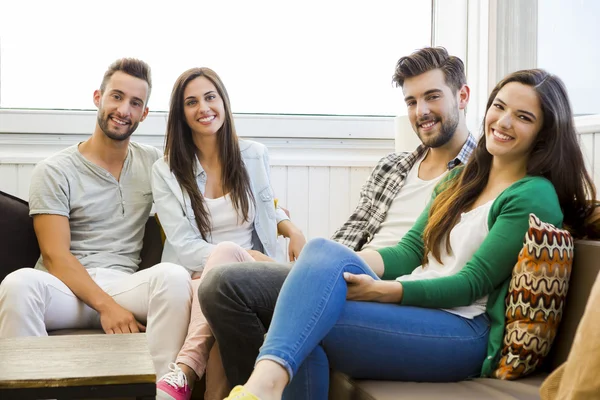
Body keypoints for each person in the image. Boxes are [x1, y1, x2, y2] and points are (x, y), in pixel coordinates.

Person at [222, 68, 597, 400]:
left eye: (524, 117)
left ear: (544, 134)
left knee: (304, 324)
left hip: (463, 330)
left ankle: (260, 388)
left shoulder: (533, 194)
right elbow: (407, 252)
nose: (503, 121)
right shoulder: (459, 179)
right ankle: (265, 387)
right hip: (422, 310)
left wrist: (387, 292)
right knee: (320, 269)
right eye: (499, 106)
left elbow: (472, 282)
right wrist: (344, 266)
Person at [199, 46, 478, 389]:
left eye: (432, 97)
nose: (421, 111)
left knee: (273, 297)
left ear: (462, 96)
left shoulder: (480, 176)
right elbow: (348, 237)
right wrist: (309, 270)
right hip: (348, 270)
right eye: (411, 101)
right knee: (220, 285)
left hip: (398, 290)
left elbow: (440, 261)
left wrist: (325, 264)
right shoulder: (394, 167)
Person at [0, 58, 193, 379]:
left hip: (124, 284)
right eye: (116, 96)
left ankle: (164, 391)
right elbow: (55, 256)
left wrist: (281, 221)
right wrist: (107, 308)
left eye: (135, 103)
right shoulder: (54, 170)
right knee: (18, 284)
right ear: (97, 98)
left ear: (144, 114)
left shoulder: (154, 164)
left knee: (173, 277)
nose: (124, 110)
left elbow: (207, 197)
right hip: (65, 289)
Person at [151, 67, 306, 400]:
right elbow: (183, 243)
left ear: (223, 101)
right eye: (191, 102)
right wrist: (244, 258)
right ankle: (199, 378)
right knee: (220, 284)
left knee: (225, 289)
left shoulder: (254, 154)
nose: (204, 108)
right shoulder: (165, 170)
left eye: (210, 97)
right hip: (195, 273)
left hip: (250, 275)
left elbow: (267, 206)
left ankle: (184, 373)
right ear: (181, 114)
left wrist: (290, 228)